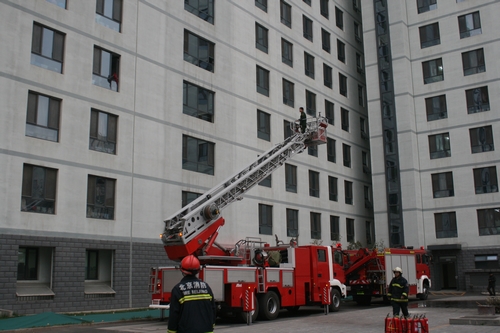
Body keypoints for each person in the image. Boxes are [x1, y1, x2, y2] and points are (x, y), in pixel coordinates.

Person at [167, 255, 216, 333]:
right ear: (198, 270)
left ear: (182, 270)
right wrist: (211, 325)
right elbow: (212, 308)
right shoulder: (206, 287)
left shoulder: (178, 289)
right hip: (207, 330)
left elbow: (174, 313)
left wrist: (171, 331)